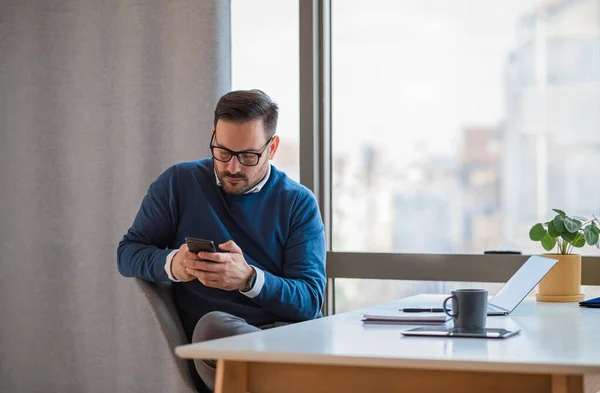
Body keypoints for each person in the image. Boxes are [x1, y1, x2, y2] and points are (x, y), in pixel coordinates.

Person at [117, 89, 327, 391]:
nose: (233, 168)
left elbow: (309, 301)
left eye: (248, 156)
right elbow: (127, 253)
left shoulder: (297, 203)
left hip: (287, 340)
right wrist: (173, 264)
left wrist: (249, 279)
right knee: (214, 326)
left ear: (272, 147)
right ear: (214, 136)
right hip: (219, 348)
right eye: (224, 152)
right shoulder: (179, 184)